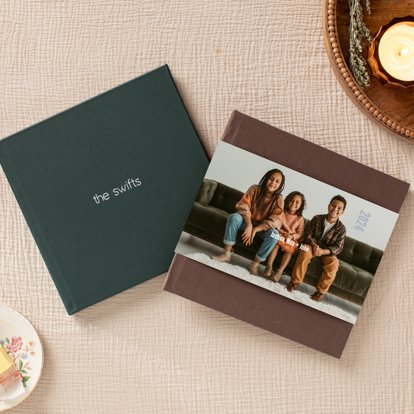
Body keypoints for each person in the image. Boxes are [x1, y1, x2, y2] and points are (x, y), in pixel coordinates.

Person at [212, 169, 285, 275]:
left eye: (277, 181)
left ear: (280, 185)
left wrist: (256, 229)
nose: (273, 183)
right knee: (234, 217)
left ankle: (254, 264)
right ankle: (226, 254)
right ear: (266, 178)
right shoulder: (254, 188)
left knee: (275, 235)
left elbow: (275, 220)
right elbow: (243, 205)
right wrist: (249, 224)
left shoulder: (279, 199)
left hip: (262, 229)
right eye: (271, 179)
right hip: (245, 222)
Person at [286, 195, 347, 302]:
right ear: (329, 206)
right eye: (333, 205)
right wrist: (314, 245)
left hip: (327, 252)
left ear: (342, 212)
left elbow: (338, 247)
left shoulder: (341, 228)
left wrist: (323, 251)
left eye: (339, 208)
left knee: (334, 264)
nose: (335, 209)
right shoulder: (317, 218)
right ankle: (294, 282)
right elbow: (307, 234)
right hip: (311, 246)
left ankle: (320, 292)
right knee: (304, 251)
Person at [263, 191, 306, 282]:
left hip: (290, 239)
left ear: (301, 205)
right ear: (287, 200)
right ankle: (269, 266)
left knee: (290, 250)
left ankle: (279, 272)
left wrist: (291, 236)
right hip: (279, 234)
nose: (293, 203)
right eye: (292, 200)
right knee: (275, 242)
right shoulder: (282, 212)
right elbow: (276, 225)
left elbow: (299, 233)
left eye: (297, 202)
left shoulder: (300, 218)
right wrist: (283, 233)